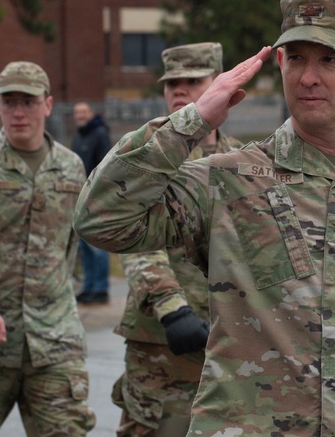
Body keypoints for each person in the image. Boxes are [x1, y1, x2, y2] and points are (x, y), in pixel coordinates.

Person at [75, 0, 335, 435]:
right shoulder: (227, 182)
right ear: (280, 65)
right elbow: (101, 218)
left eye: (329, 60)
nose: (308, 77)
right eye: (296, 58)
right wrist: (191, 121)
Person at [0, 61, 95, 436]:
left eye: (28, 101)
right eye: (9, 102)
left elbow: (70, 247)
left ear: (47, 104)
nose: (18, 112)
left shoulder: (72, 169)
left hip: (54, 341)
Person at [112, 42, 243, 436]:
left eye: (192, 81)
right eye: (171, 83)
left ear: (220, 86)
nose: (178, 90)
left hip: (226, 343)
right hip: (160, 340)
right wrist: (172, 307)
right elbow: (132, 240)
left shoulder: (241, 164)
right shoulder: (145, 159)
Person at [71, 101, 112, 304]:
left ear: (91, 113)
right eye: (77, 112)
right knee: (84, 247)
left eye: (83, 112)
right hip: (79, 199)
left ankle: (100, 288)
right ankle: (88, 287)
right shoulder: (79, 135)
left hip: (96, 198)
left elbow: (106, 166)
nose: (80, 116)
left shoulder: (99, 134)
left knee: (97, 246)